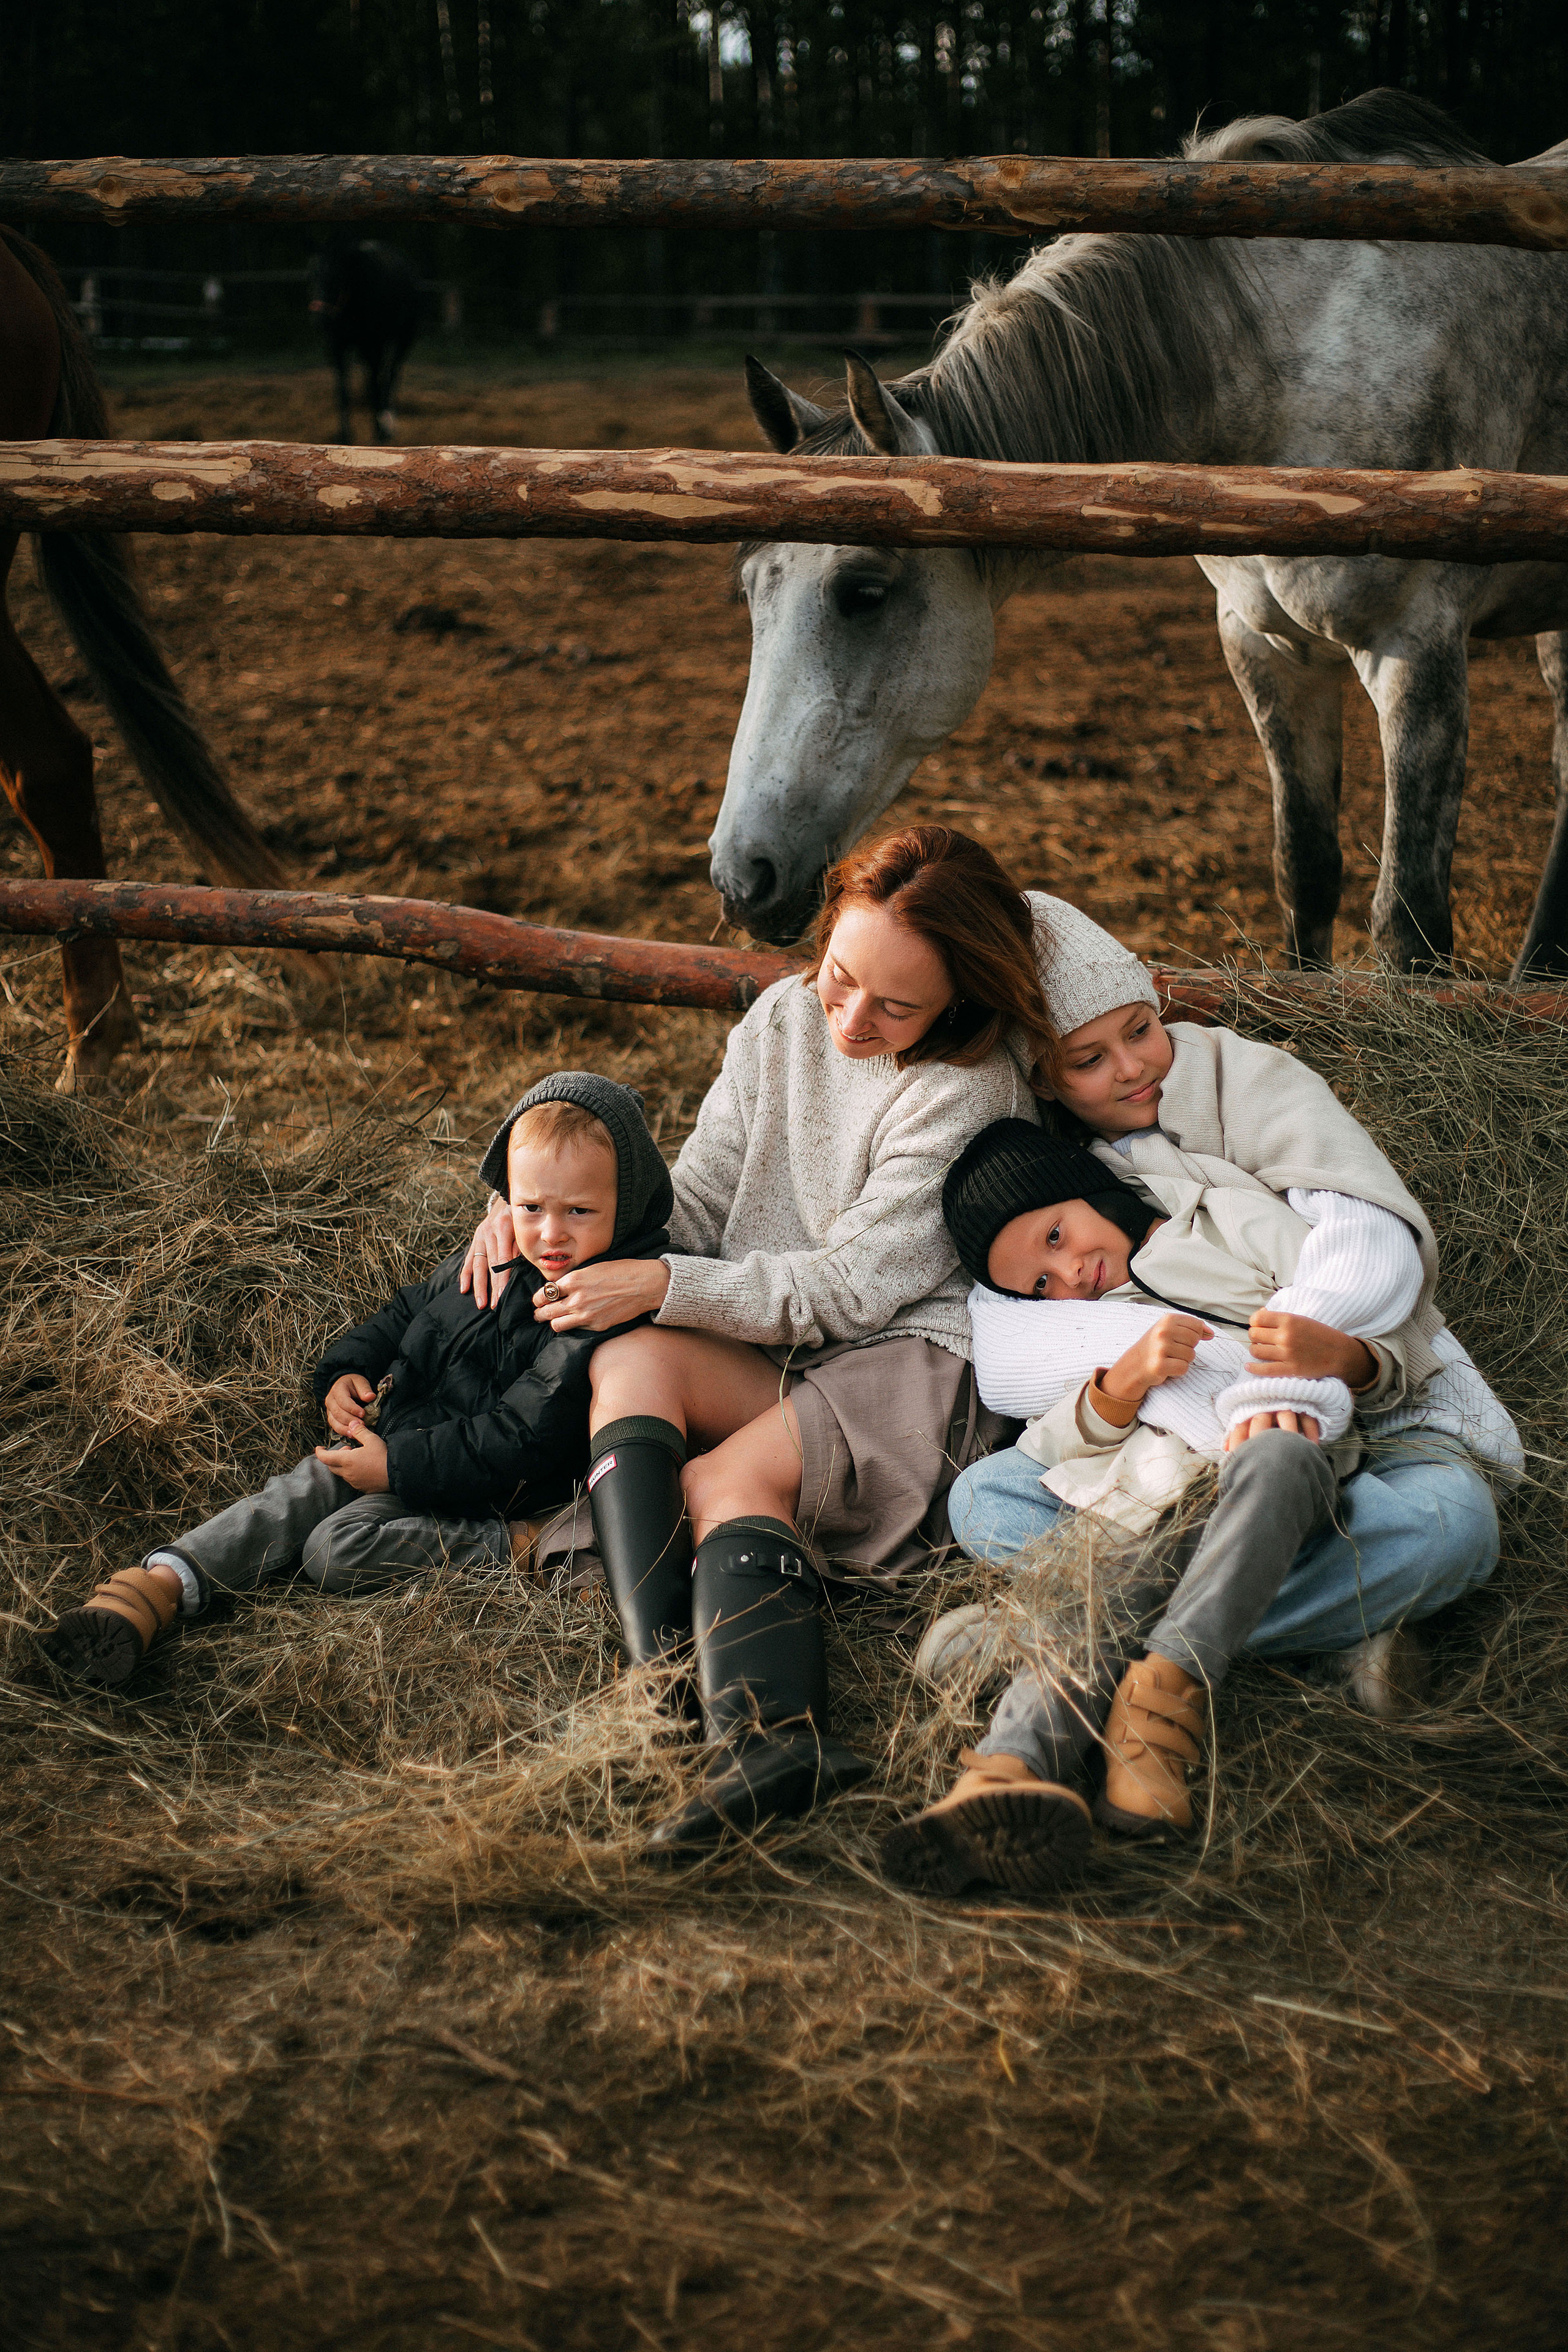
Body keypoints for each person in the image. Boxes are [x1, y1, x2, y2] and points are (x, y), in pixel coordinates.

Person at [880, 920, 1517, 1897]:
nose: (1133, 1069)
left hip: (1333, 1437)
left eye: (1142, 1031)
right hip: (1172, 1475)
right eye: (1088, 1059)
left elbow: (1358, 1275)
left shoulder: (1212, 1205)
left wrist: (1311, 1370)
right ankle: (1301, 1639)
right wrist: (1115, 1385)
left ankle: (1041, 1663)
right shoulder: (1072, 1269)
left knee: (1453, 1525)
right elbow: (1029, 1391)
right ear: (1050, 1081)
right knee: (985, 1503)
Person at [461, 826, 1056, 1852]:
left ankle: (772, 1737)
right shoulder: (782, 1018)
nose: (851, 1021)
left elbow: (853, 1289)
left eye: (896, 1007)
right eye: (840, 979)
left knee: (722, 1483)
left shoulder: (972, 1087)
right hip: (783, 1344)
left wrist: (664, 1281)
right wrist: (547, 1228)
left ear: (959, 1000)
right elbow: (695, 1198)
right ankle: (663, 1696)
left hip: (907, 1361)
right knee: (631, 1356)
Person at [36, 1074, 673, 1690]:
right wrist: (346, 1371)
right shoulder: (501, 1251)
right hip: (407, 1441)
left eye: (579, 1211)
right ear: (505, 1197)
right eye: (531, 1206)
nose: (551, 1232)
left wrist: (396, 1468)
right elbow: (406, 1313)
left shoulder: (599, 1310)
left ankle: (527, 1545)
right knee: (306, 1484)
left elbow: (522, 1437)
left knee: (336, 1548)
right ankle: (160, 1584)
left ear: (628, 1206)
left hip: (488, 1488)